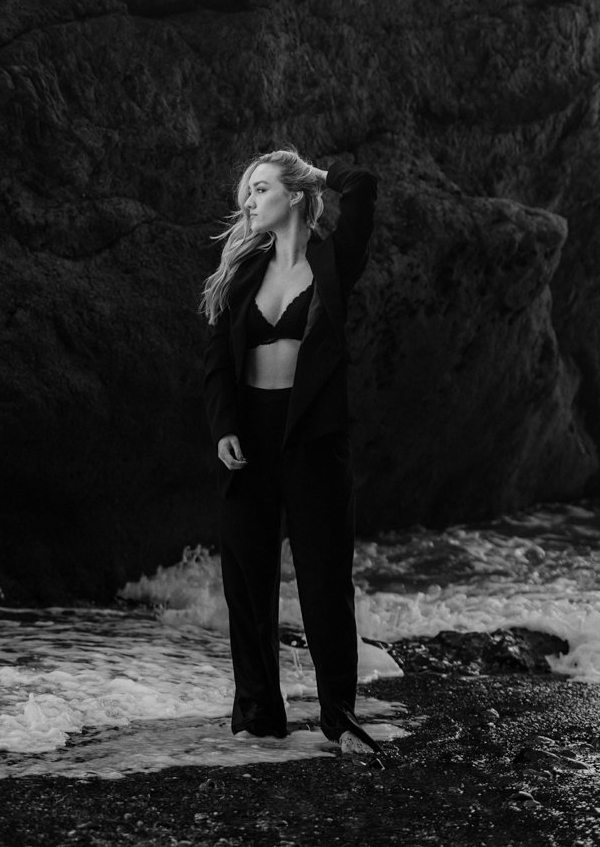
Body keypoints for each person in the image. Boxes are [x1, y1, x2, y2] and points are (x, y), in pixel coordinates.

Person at [200, 148, 379, 755]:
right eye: (247, 191)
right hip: (248, 438)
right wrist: (224, 426)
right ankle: (259, 716)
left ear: (295, 196)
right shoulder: (242, 272)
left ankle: (339, 718)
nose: (249, 201)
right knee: (247, 581)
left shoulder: (332, 260)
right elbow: (217, 360)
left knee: (325, 580)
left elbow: (363, 185)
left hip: (312, 439)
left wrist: (314, 174)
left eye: (262, 188)